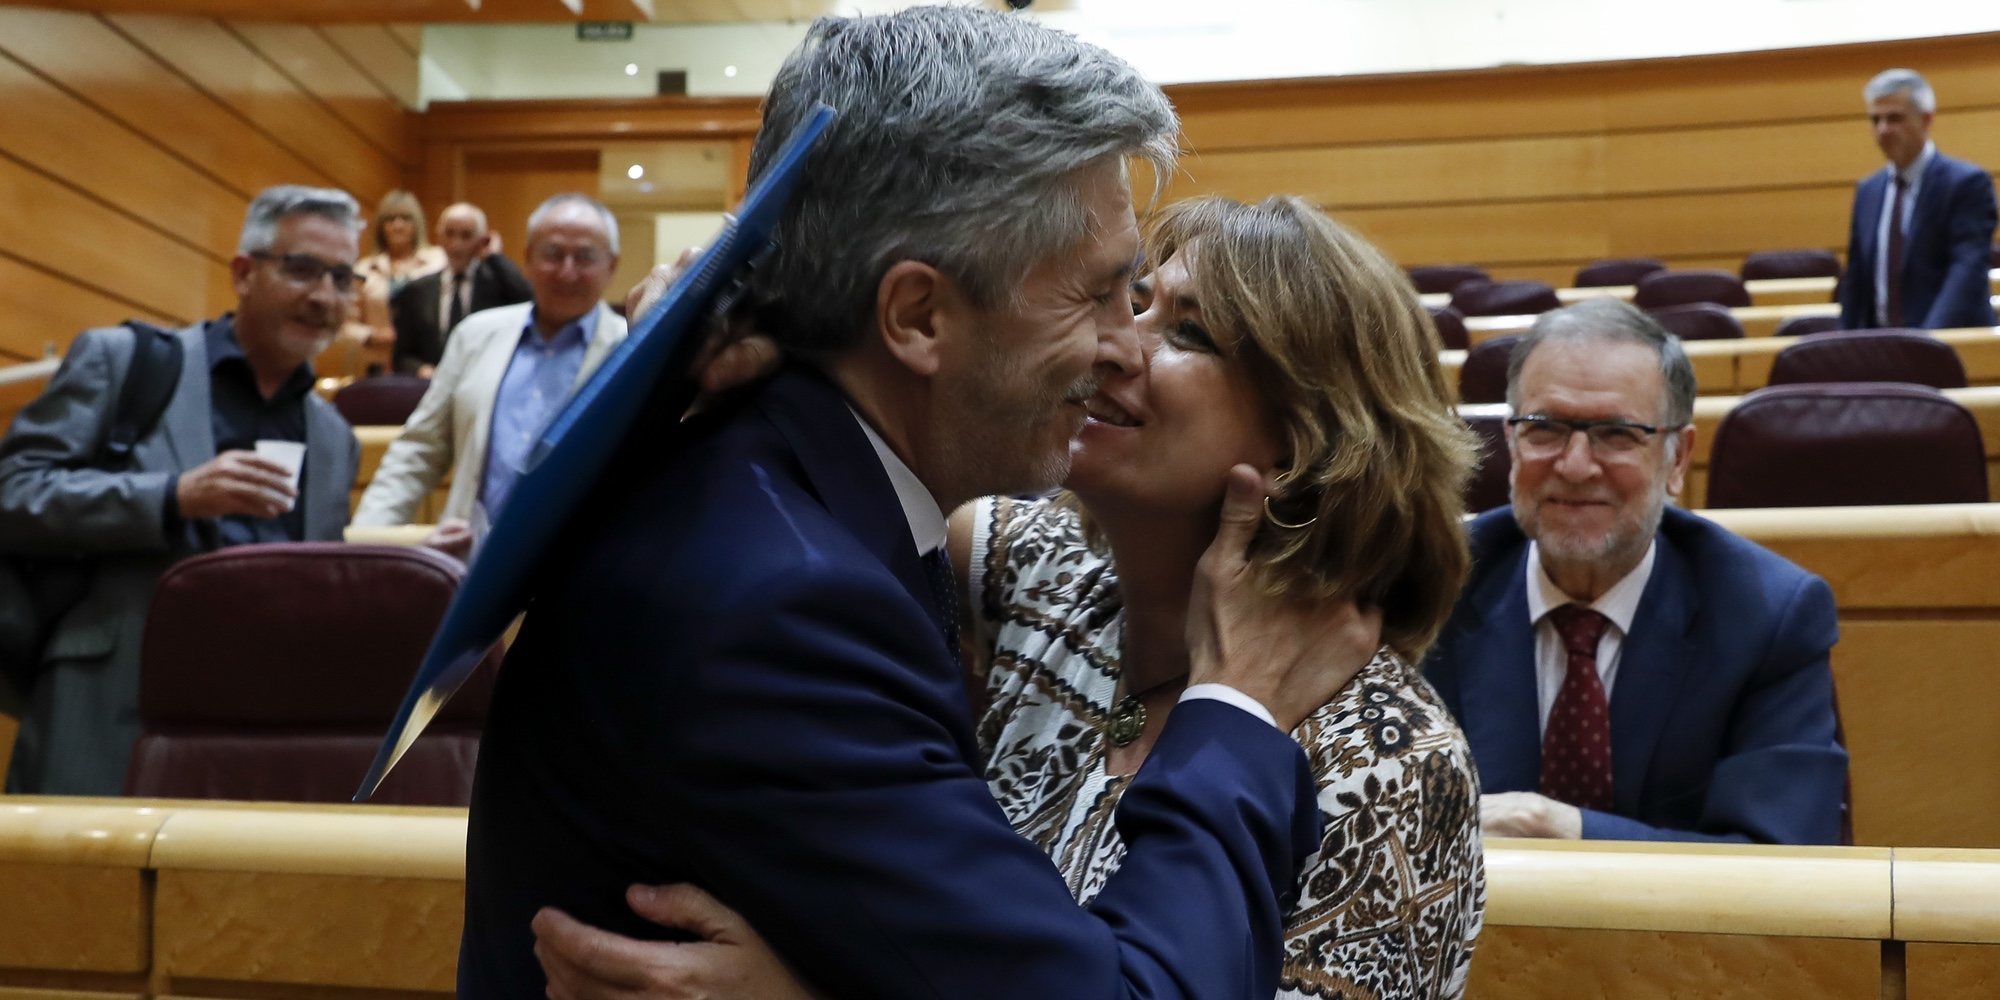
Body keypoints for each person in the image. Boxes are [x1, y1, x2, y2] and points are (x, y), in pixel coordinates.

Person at [459, 9, 1383, 999]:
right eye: (1101, 296)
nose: (1126, 351)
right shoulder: (784, 602)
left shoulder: (792, 473)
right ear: (916, 316)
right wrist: (1236, 712)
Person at [530, 196, 1489, 1000]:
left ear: (1308, 438)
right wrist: (712, 353)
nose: (1115, 345)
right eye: (1134, 299)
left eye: (1187, 331)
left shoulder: (1389, 764)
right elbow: (824, 484)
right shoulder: (1039, 567)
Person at [1424, 299, 1847, 844]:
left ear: (1676, 459)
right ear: (1510, 440)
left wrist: (1567, 829)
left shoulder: (1769, 616)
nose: (1575, 466)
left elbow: (1784, 862)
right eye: (1544, 428)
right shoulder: (1431, 586)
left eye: (1616, 434)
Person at [0, 185, 363, 795]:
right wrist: (170, 497)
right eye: (301, 269)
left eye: (342, 278)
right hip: (109, 707)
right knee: (74, 893)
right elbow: (13, 491)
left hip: (262, 732)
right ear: (244, 273)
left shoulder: (334, 438)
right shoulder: (127, 362)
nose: (323, 296)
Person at [352, 193, 626, 556]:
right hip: (470, 563)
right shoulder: (475, 335)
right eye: (553, 253)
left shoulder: (633, 347)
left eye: (586, 256)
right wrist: (367, 539)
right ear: (527, 259)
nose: (567, 271)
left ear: (612, 265)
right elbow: (421, 449)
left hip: (581, 567)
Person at [1837, 68, 1997, 330]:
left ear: (1926, 119)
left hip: (1949, 345)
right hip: (1883, 349)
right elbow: (1857, 277)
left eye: (1894, 118)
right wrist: (1845, 346)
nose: (1883, 130)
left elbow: (1966, 270)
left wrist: (1925, 344)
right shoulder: (1868, 190)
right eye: (1875, 120)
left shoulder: (1967, 183)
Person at [389, 202, 533, 376]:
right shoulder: (417, 290)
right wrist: (422, 370)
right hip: (430, 386)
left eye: (466, 236)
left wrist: (493, 256)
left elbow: (528, 301)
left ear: (482, 240)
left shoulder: (498, 287)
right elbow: (402, 356)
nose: (456, 245)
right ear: (439, 237)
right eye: (449, 234)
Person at [353, 189, 448, 357]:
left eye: (406, 218)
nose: (398, 225)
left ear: (417, 224)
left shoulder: (439, 261)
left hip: (429, 360)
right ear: (380, 226)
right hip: (379, 360)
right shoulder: (363, 269)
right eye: (390, 219)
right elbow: (345, 324)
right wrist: (371, 335)